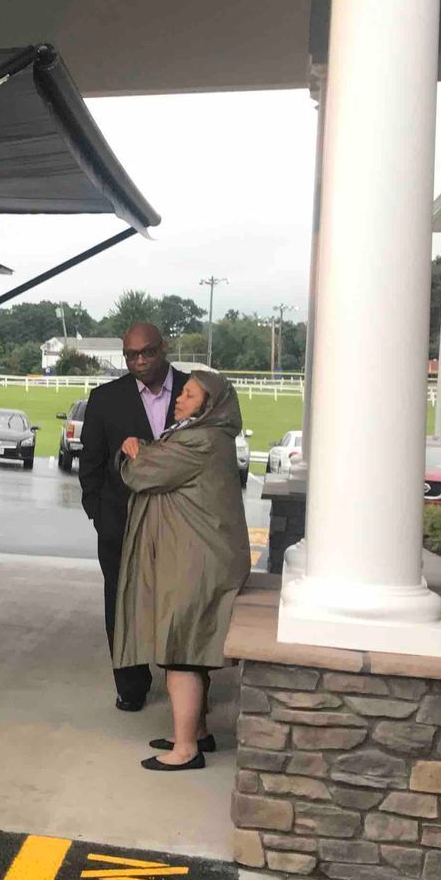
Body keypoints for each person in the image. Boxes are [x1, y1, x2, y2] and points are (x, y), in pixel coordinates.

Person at [115, 370, 252, 770]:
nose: (179, 399)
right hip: (199, 556)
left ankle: (185, 750)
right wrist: (148, 450)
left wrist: (138, 451)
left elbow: (145, 474)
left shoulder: (200, 439)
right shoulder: (207, 436)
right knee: (191, 646)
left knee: (180, 651)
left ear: (209, 403)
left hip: (196, 560)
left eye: (189, 395)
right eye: (182, 393)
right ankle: (197, 731)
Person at [77, 322, 187, 710]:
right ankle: (131, 686)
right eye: (130, 355)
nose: (139, 361)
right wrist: (98, 514)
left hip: (180, 525)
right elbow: (89, 464)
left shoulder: (193, 393)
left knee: (179, 604)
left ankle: (186, 691)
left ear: (164, 347)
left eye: (147, 352)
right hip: (120, 524)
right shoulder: (106, 398)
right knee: (122, 605)